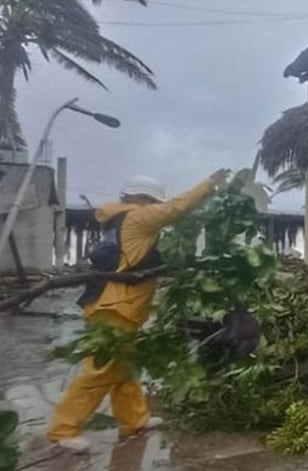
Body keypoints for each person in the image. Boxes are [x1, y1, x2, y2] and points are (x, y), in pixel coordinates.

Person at [47, 169, 230, 452]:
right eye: (155, 202)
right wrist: (209, 185)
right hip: (114, 307)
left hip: (121, 307)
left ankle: (134, 420)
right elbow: (176, 208)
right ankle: (64, 429)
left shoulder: (118, 220)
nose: (157, 207)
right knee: (100, 371)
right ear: (144, 200)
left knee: (126, 368)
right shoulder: (137, 217)